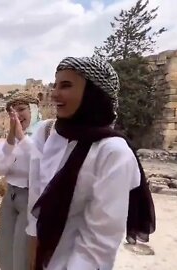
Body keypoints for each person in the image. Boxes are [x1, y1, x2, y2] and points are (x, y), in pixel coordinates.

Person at [22, 56, 155, 270]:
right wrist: (33, 251)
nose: (54, 93)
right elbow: (37, 200)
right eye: (55, 85)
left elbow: (99, 244)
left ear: (93, 93)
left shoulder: (113, 153)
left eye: (66, 85)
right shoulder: (49, 135)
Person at [0, 92, 42, 270]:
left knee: (22, 254)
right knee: (4, 251)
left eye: (21, 109)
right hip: (11, 195)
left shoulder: (46, 132)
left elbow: (40, 166)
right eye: (12, 112)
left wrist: (22, 138)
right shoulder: (8, 137)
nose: (17, 116)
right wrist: (12, 140)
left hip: (31, 198)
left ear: (34, 110)